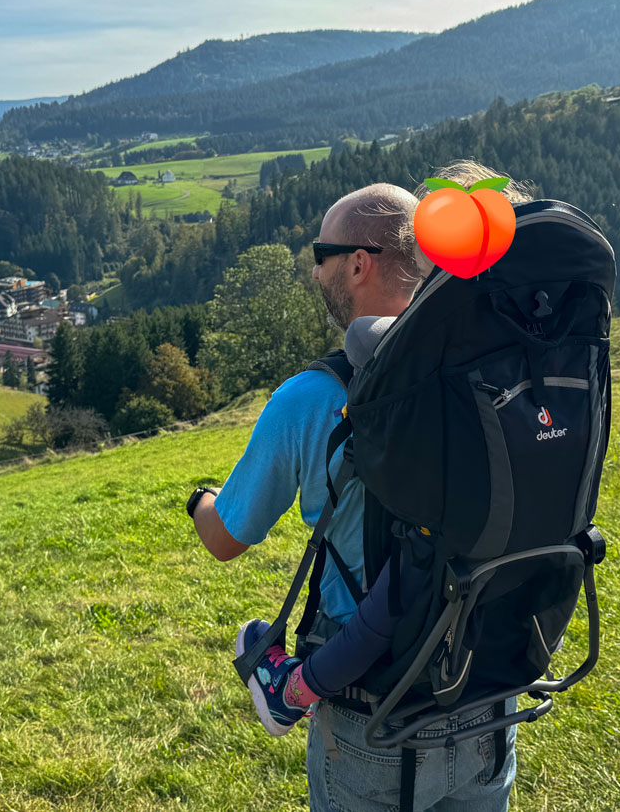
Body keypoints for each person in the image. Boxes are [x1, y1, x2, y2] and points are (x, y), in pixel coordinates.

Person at [190, 164, 531, 811]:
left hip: (372, 711)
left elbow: (225, 539)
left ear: (359, 264)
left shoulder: (311, 396)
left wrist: (199, 500)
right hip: (486, 690)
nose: (315, 271)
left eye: (322, 256)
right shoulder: (489, 375)